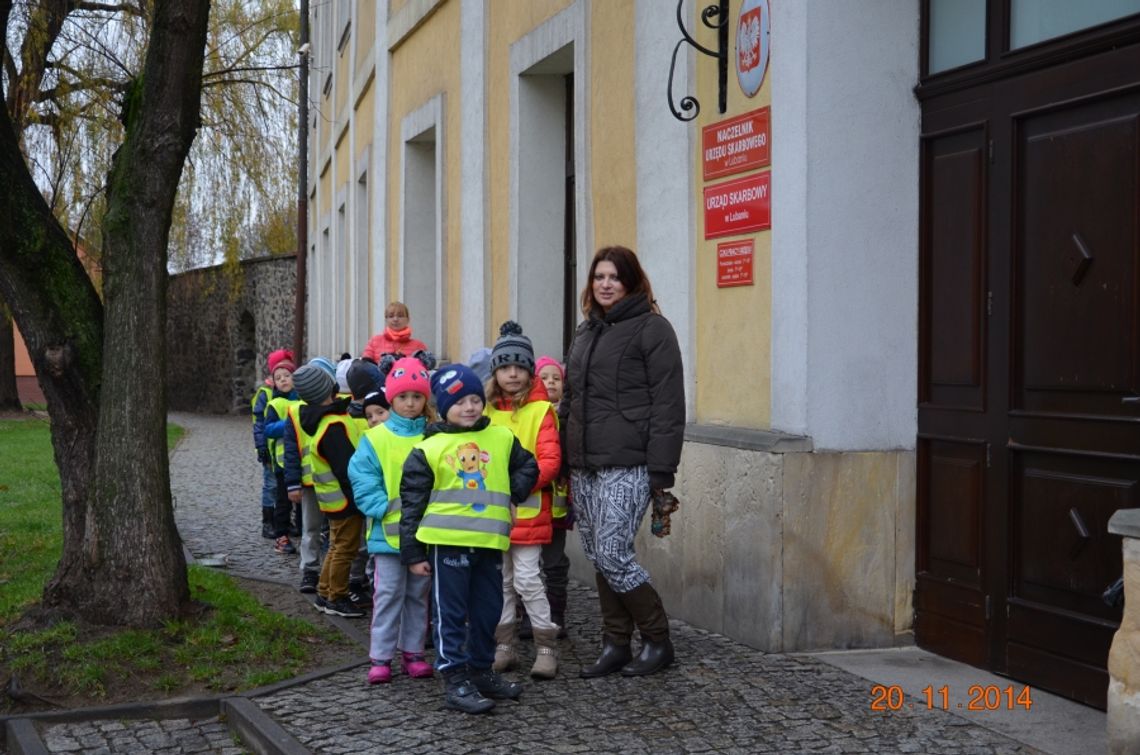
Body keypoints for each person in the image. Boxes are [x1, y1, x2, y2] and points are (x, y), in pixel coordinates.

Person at [559, 245, 685, 678]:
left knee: (613, 552)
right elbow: (571, 399)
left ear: (630, 281)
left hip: (629, 462)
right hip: (585, 464)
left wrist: (660, 472)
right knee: (597, 552)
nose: (605, 284)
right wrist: (562, 455)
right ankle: (616, 643)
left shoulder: (653, 329)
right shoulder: (585, 332)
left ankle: (657, 639)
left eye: (614, 277)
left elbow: (669, 405)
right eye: (599, 277)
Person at [399, 364, 538, 714]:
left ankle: (480, 670)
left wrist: (512, 495)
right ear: (444, 407)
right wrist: (413, 553)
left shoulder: (502, 438)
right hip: (448, 547)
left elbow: (529, 466)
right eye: (460, 401)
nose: (470, 407)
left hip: (489, 546)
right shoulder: (429, 449)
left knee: (488, 611)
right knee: (451, 614)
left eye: (476, 399)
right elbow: (412, 504)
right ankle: (454, 677)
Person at [349, 357, 435, 685]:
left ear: (425, 399)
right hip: (387, 535)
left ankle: (413, 652)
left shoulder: (432, 436)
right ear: (391, 399)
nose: (410, 403)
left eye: (416, 396)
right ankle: (381, 656)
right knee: (387, 595)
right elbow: (361, 473)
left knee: (417, 596)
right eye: (403, 397)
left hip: (424, 535)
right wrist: (378, 506)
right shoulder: (376, 438)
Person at [484, 322, 561, 679]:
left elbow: (549, 461)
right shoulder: (484, 411)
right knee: (500, 581)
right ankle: (504, 645)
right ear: (495, 371)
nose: (512, 374)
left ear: (529, 371)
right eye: (504, 367)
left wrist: (515, 488)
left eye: (518, 367)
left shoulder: (541, 411)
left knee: (528, 579)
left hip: (528, 512)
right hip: (493, 514)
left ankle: (546, 646)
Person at [294, 362, 366, 619]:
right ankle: (337, 596)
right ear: (326, 388)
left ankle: (324, 592)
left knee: (336, 546)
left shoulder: (324, 420)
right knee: (345, 549)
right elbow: (346, 469)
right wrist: (360, 496)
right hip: (345, 500)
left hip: (333, 501)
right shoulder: (333, 425)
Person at [284, 356, 338, 593]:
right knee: (311, 529)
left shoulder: (337, 407)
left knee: (337, 530)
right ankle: (310, 570)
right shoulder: (295, 413)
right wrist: (292, 483)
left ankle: (332, 570)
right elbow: (291, 450)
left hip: (335, 482)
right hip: (309, 483)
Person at [532, 355, 571, 639]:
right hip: (531, 504)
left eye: (556, 378)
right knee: (527, 564)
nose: (551, 383)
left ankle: (557, 614)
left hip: (558, 506)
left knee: (555, 561)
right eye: (544, 378)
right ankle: (528, 616)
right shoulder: (532, 414)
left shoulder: (569, 415)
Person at [263, 352, 300, 555]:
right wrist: (289, 424)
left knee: (304, 504)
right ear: (274, 384)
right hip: (282, 463)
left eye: (287, 375)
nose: (283, 379)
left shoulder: (303, 401)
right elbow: (268, 429)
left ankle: (305, 535)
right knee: (283, 502)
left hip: (305, 462)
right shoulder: (275, 405)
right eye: (278, 378)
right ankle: (281, 536)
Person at [252, 350, 290, 540]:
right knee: (271, 485)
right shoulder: (265, 393)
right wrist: (261, 446)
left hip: (288, 449)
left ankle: (284, 521)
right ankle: (268, 522)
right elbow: (259, 422)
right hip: (271, 447)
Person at [362, 301, 430, 362]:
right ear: (386, 320)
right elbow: (366, 365)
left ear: (408, 319)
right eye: (391, 316)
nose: (395, 319)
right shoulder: (374, 341)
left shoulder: (418, 346)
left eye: (400, 316)